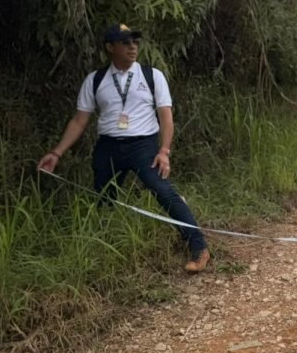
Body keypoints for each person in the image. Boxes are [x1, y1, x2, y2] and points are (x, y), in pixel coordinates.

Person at [37, 23, 211, 273]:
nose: (132, 47)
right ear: (110, 47)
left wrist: (164, 151)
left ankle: (199, 247)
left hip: (143, 146)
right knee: (103, 198)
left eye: (135, 42)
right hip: (108, 146)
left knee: (163, 191)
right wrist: (56, 153)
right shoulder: (96, 80)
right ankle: (106, 255)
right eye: (125, 43)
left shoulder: (152, 76)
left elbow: (166, 117)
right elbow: (79, 120)